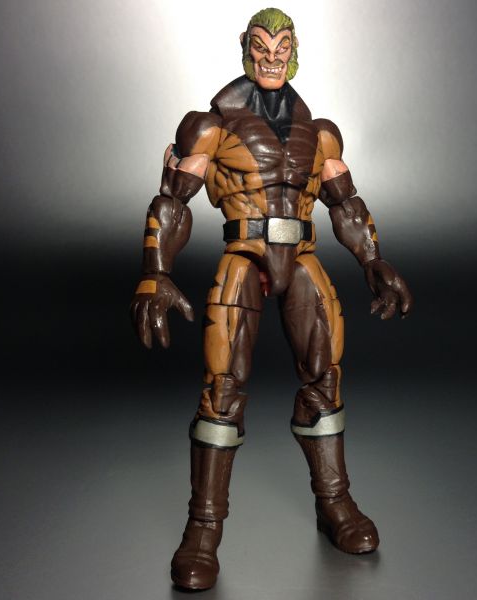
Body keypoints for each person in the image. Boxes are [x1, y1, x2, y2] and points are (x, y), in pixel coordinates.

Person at [130, 7, 413, 591]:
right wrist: (155, 272)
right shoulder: (211, 126)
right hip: (244, 256)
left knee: (325, 379)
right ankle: (203, 529)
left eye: (281, 47)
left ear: (294, 50)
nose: (271, 57)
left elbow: (345, 204)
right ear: (246, 46)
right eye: (261, 46)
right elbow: (173, 201)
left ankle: (335, 502)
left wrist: (372, 260)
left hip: (302, 259)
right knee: (222, 388)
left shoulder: (321, 133)